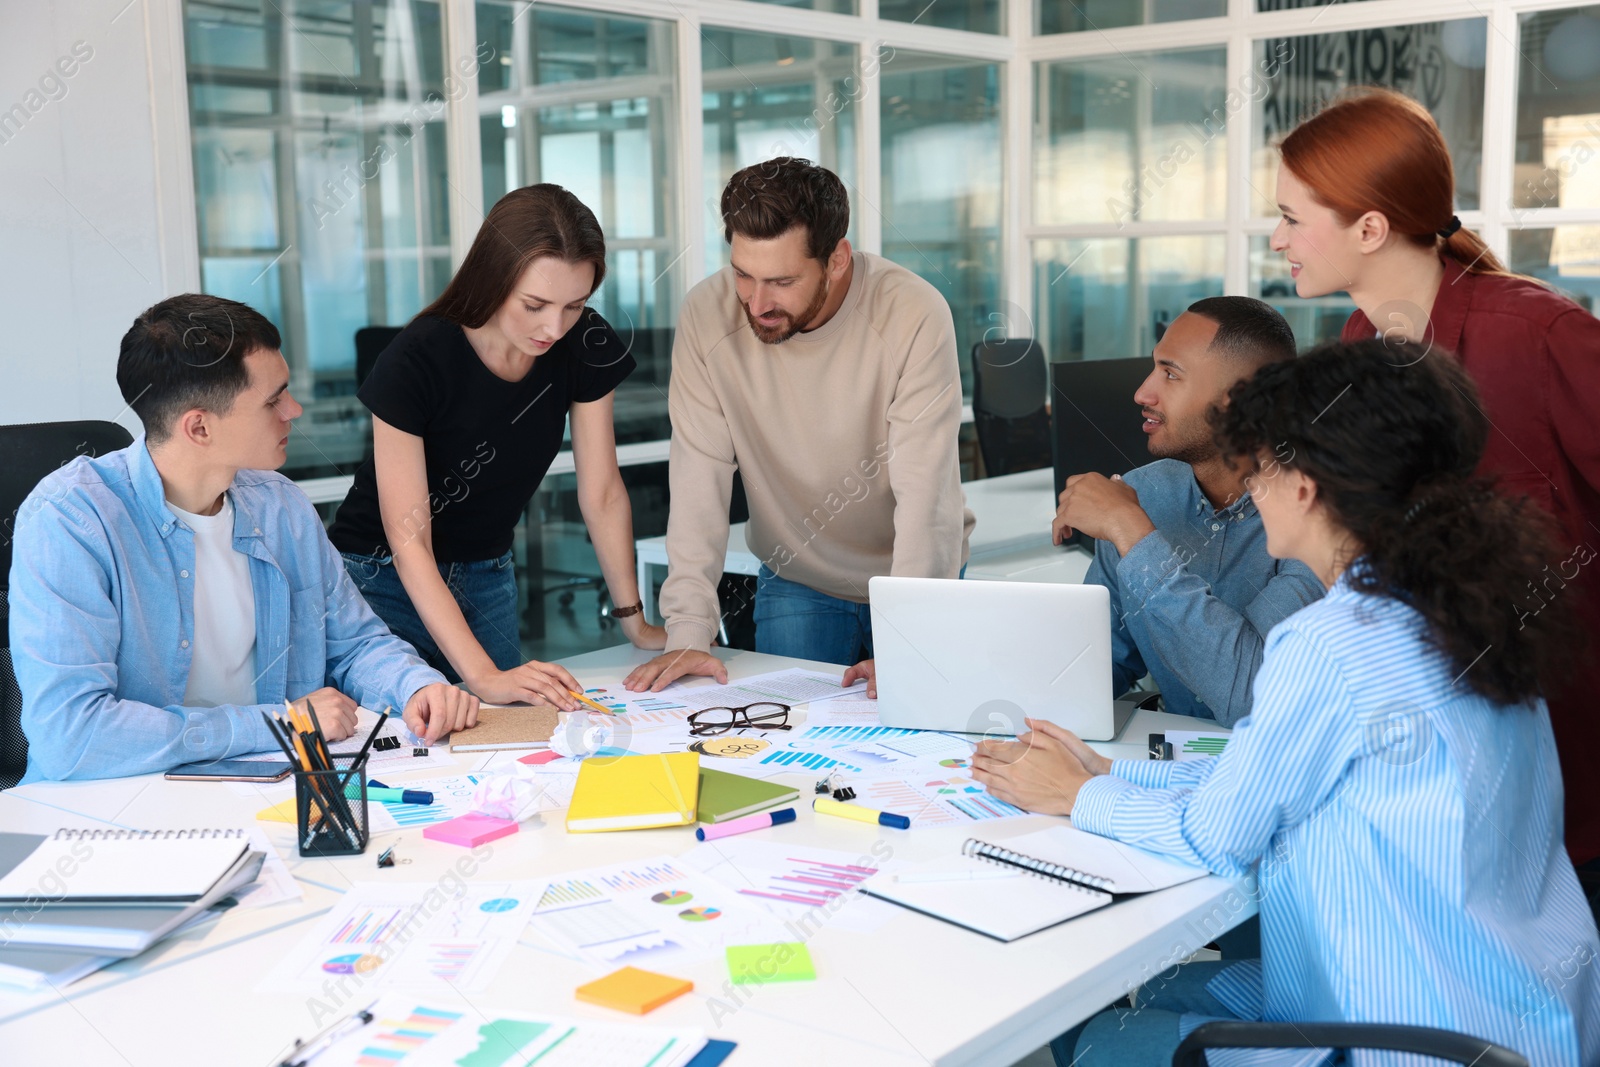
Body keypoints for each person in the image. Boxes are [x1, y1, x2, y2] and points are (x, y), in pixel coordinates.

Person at [973, 342, 1600, 1066]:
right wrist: (1105, 776)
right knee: (1122, 985)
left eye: (1258, 467)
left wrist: (1079, 796)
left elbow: (1220, 837)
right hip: (1527, 1018)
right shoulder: (1466, 607)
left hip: (1403, 1036)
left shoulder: (1331, 640)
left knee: (1093, 1034)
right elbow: (1267, 778)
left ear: (1304, 484)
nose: (1248, 487)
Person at [1271, 86, 1600, 865]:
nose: (1277, 238)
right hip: (1434, 757)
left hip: (1570, 760)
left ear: (1372, 226)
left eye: (1290, 217)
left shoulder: (1539, 333)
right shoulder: (1359, 341)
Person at [8, 295, 477, 782]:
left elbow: (356, 644)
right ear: (200, 427)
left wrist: (417, 686)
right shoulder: (70, 521)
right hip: (108, 815)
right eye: (273, 399)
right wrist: (280, 725)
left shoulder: (281, 506)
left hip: (266, 789)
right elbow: (70, 736)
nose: (293, 410)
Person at [842, 297, 1323, 728]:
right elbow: (1092, 665)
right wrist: (933, 672)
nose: (1143, 392)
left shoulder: (1322, 519)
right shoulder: (1143, 493)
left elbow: (1253, 697)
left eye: (1171, 374)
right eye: (1153, 368)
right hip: (1173, 768)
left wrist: (1133, 534)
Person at [624, 157, 972, 692]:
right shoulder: (706, 315)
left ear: (836, 259)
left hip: (914, 578)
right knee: (786, 741)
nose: (756, 303)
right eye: (743, 273)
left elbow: (927, 499)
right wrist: (689, 631)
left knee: (920, 746)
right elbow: (699, 479)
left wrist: (912, 636)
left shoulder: (913, 314)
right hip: (797, 577)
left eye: (782, 281)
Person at [328, 185, 664, 712]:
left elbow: (600, 493)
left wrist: (635, 622)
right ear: (493, 279)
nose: (554, 327)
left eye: (574, 305)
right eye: (535, 305)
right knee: (404, 749)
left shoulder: (584, 343)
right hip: (380, 578)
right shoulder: (416, 358)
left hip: (484, 574)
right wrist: (483, 673)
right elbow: (407, 536)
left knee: (503, 744)